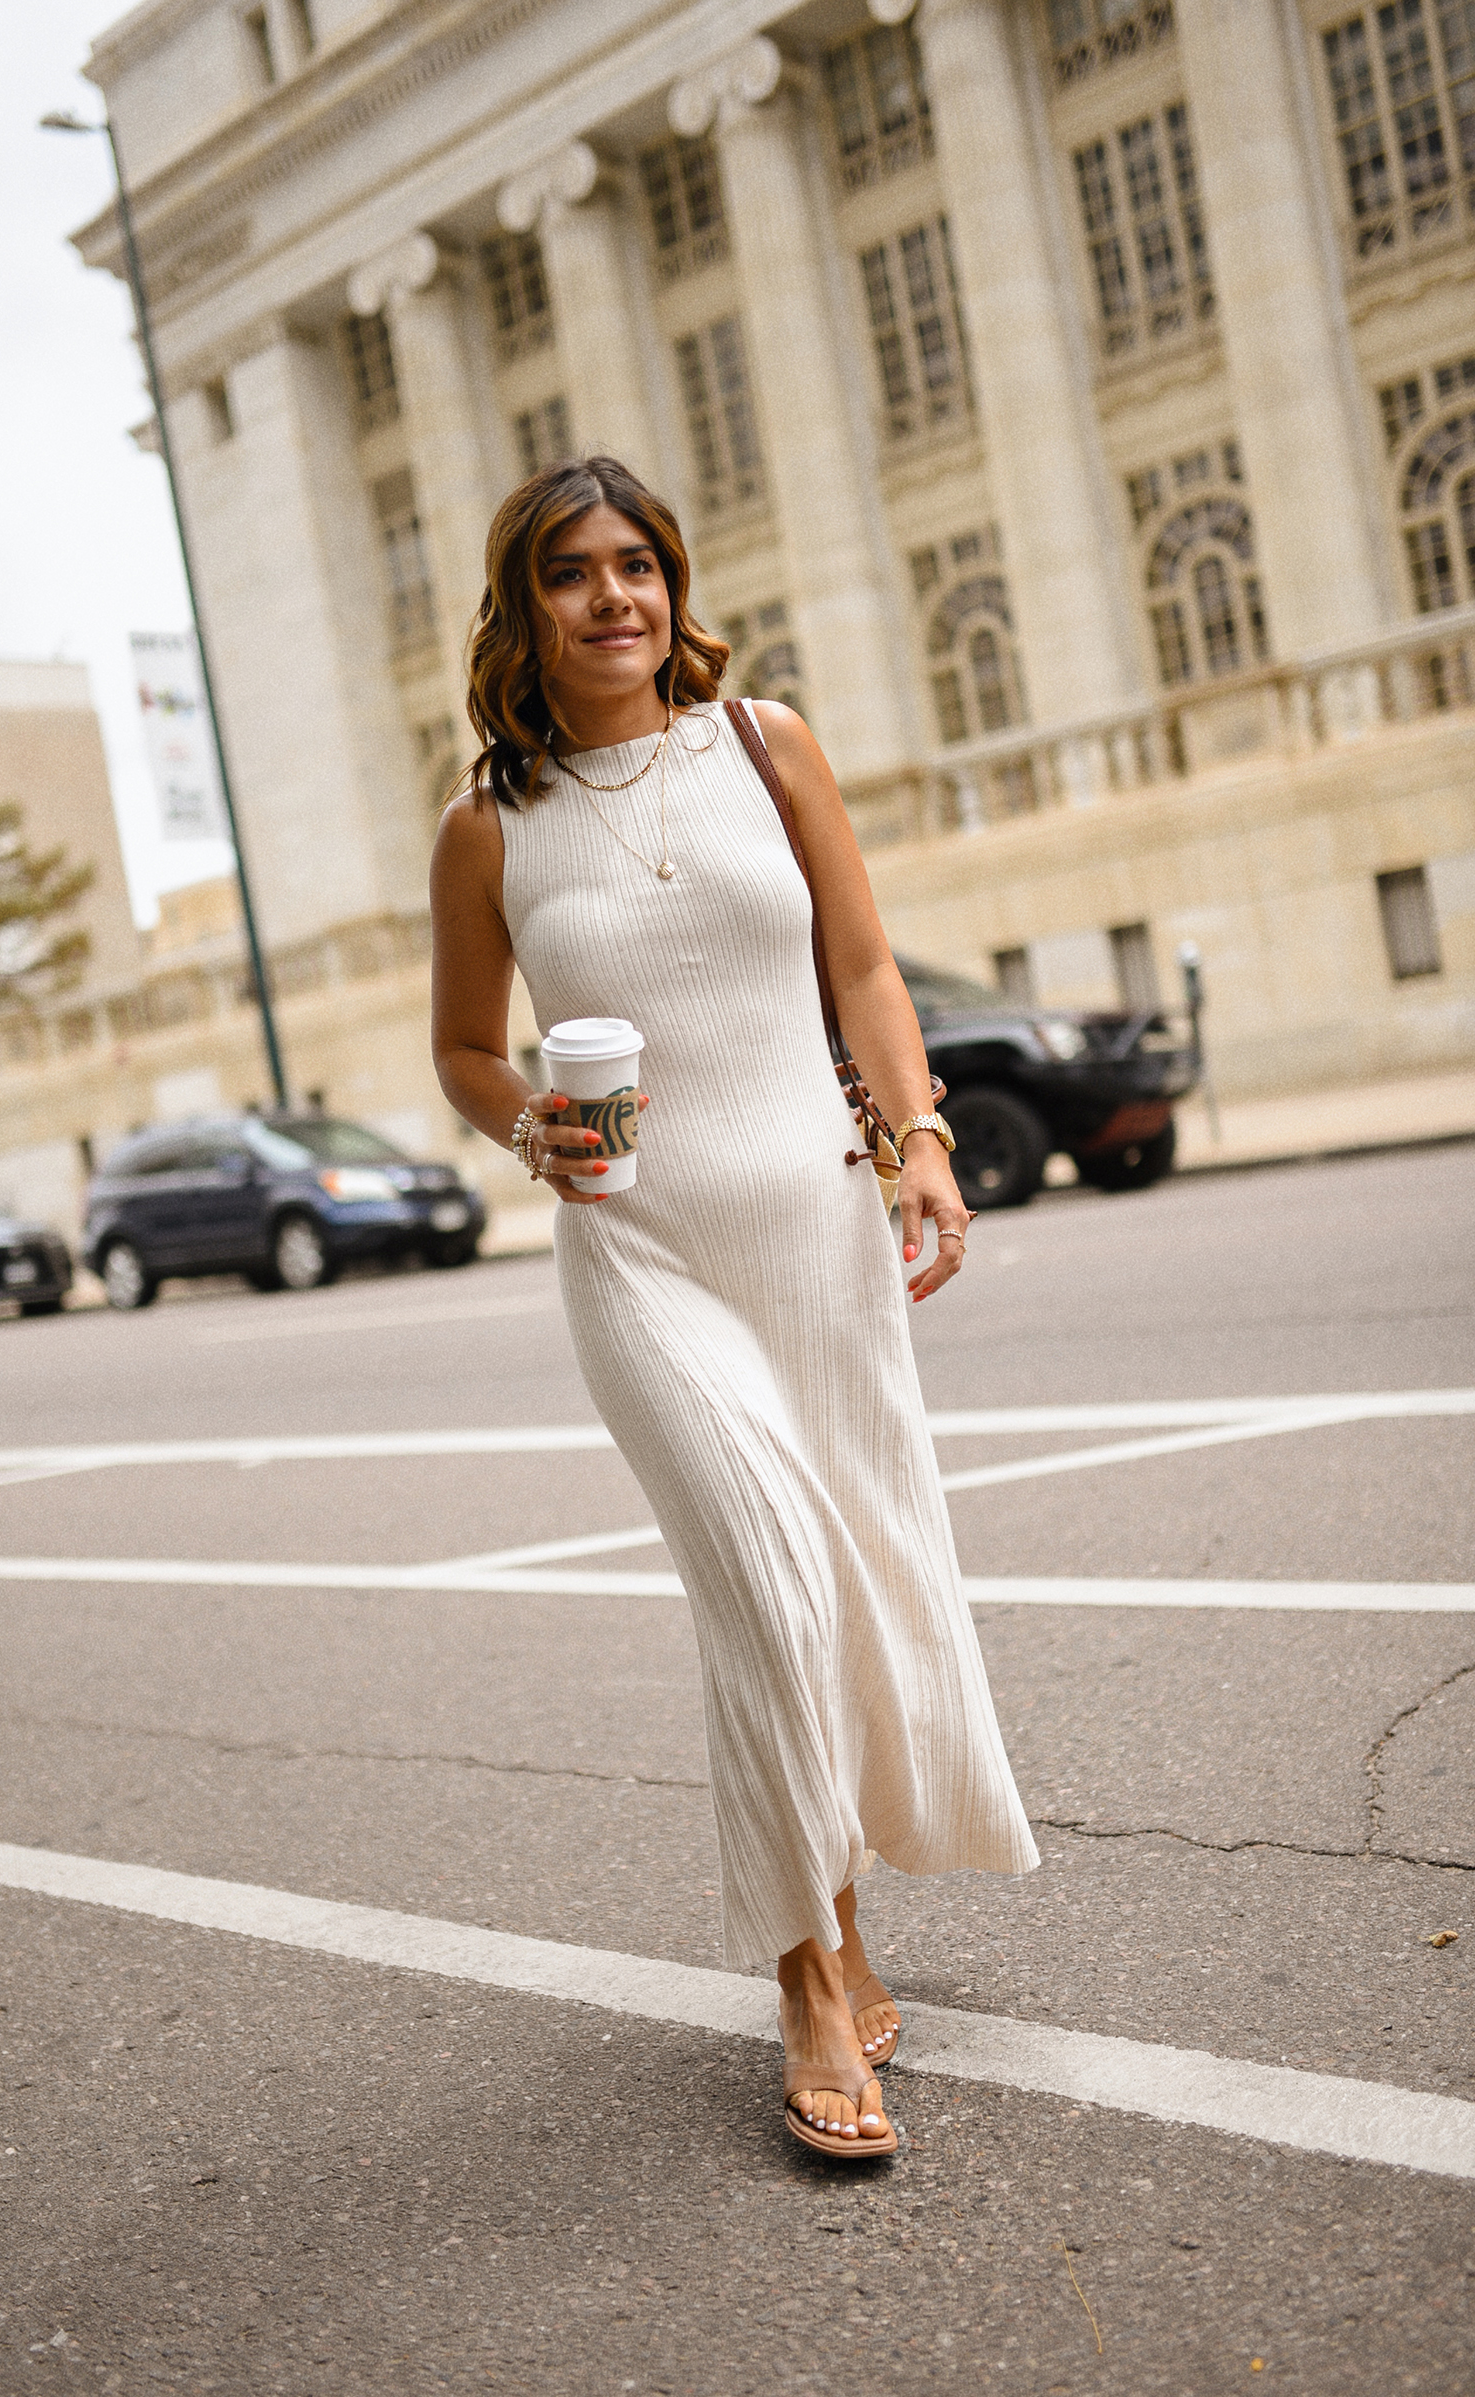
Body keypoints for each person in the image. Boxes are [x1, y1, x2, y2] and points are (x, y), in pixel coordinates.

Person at [430, 456, 1038, 2159]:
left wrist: (916, 1136)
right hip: (644, 1251)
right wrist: (520, 1120)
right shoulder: (490, 827)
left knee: (850, 1566)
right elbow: (469, 1052)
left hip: (819, 1236)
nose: (615, 597)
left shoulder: (768, 746)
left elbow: (861, 962)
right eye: (575, 572)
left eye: (640, 564)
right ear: (524, 607)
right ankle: (804, 1980)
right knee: (765, 1575)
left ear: (674, 584)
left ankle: (840, 1912)